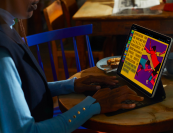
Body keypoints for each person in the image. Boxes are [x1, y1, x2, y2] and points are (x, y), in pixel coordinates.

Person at [0, 0, 144, 133]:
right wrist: (93, 104)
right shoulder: (3, 54)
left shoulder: (6, 28)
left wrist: (71, 85)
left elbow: (27, 89)